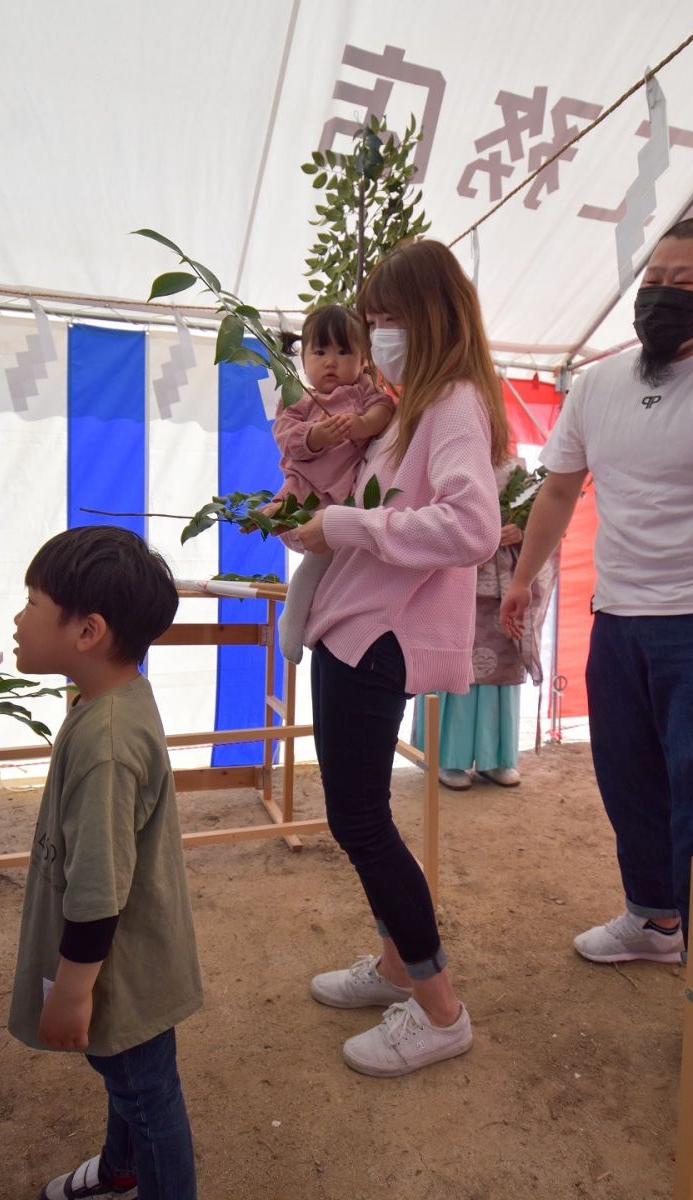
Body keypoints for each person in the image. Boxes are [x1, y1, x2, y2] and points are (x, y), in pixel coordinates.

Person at [290, 239, 507, 1077]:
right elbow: (386, 511)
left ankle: (439, 1007)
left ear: (426, 317)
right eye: (370, 319)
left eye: (385, 319)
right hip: (354, 627)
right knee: (363, 819)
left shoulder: (450, 402)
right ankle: (393, 967)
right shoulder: (412, 405)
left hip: (375, 638)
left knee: (361, 823)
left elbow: (472, 527)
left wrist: (345, 526)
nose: (375, 335)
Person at [500, 216, 693, 964]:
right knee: (627, 776)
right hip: (618, 618)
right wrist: (524, 580)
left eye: (683, 284)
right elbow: (558, 492)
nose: (661, 295)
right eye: (653, 280)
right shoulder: (598, 384)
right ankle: (653, 921)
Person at [8, 525, 203, 1200]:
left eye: (31, 603)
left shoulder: (108, 745)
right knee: (128, 1081)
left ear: (87, 631)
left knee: (149, 1098)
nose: (17, 619)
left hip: (119, 972)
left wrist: (71, 989)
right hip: (129, 961)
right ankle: (121, 1173)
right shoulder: (107, 701)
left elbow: (97, 888)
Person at [271, 304, 395, 663]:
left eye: (344, 352)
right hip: (306, 486)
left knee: (324, 561)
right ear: (304, 356)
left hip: (343, 496)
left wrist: (362, 424)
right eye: (320, 352)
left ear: (363, 359)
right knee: (308, 547)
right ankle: (293, 619)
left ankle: (306, 618)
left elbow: (384, 409)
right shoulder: (297, 397)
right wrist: (316, 436)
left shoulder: (362, 391)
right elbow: (286, 437)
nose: (331, 362)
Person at [413, 455, 527, 791]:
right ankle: (447, 757)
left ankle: (496, 758)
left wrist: (522, 531)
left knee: (501, 669)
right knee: (453, 666)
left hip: (501, 584)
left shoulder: (517, 469)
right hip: (455, 578)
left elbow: (549, 524)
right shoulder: (445, 460)